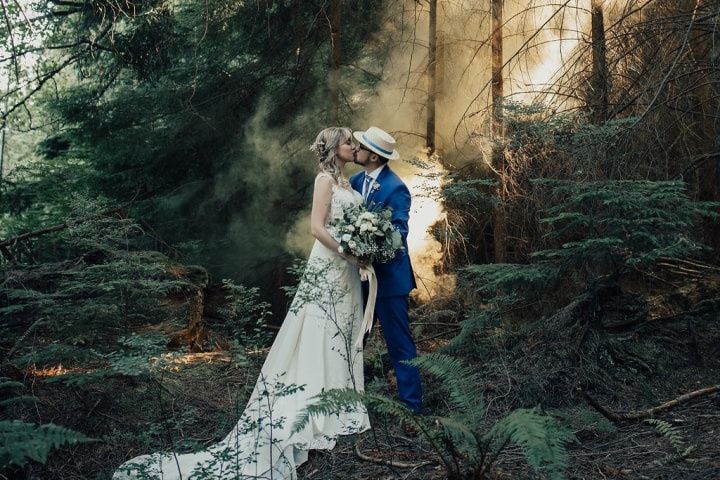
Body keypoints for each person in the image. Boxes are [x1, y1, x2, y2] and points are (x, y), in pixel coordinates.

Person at [114, 127, 370, 480]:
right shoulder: (324, 180)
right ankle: (320, 401)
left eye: (352, 142)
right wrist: (347, 250)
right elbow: (315, 227)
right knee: (321, 326)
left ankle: (344, 395)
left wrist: (361, 248)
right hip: (331, 262)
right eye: (347, 142)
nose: (352, 146)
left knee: (345, 324)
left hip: (349, 268)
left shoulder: (346, 183)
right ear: (332, 148)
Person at [350, 126, 422, 414]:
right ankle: (348, 403)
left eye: (362, 147)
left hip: (390, 282)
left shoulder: (396, 188)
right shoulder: (354, 181)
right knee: (353, 341)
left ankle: (412, 408)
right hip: (359, 280)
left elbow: (398, 231)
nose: (357, 149)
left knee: (399, 345)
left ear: (375, 157)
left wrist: (370, 248)